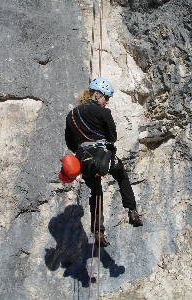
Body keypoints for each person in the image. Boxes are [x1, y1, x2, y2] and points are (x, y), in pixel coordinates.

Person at [65, 77, 143, 247]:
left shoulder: (71, 115)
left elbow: (70, 143)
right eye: (106, 98)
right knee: (121, 176)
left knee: (96, 192)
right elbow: (112, 138)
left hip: (84, 162)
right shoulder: (104, 113)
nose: (107, 102)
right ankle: (132, 211)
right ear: (96, 94)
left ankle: (98, 232)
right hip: (103, 158)